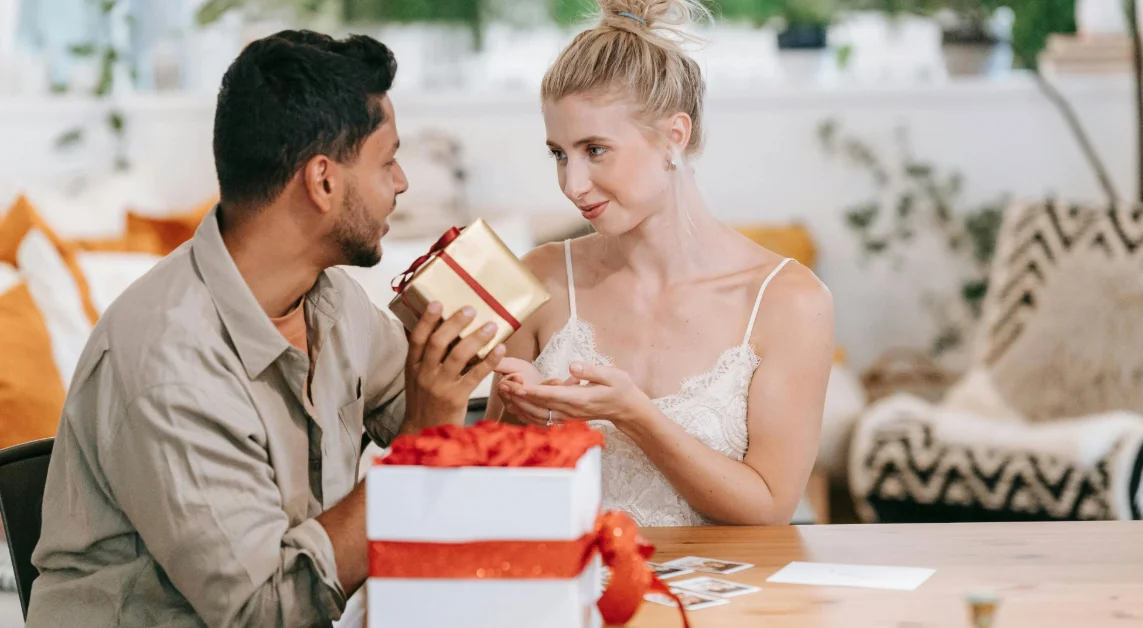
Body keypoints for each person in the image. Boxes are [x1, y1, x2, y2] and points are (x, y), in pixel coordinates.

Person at [25, 31, 503, 627]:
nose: (402, 182)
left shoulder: (330, 300)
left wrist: (505, 374)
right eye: (388, 160)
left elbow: (436, 409)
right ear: (322, 182)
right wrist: (421, 449)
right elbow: (264, 611)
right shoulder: (170, 364)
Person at [485, 0, 835, 527]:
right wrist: (517, 411)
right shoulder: (541, 278)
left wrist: (635, 415)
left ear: (675, 136)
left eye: (595, 150)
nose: (572, 185)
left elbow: (769, 509)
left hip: (717, 606)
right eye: (558, 153)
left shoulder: (790, 302)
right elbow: (493, 492)